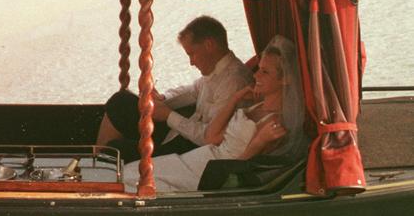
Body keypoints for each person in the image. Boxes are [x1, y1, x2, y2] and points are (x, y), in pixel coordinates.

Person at [122, 35, 308, 192]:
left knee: (141, 182)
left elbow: (240, 166)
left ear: (285, 80)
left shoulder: (274, 123)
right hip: (204, 155)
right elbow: (212, 136)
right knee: (132, 170)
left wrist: (260, 141)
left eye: (265, 72)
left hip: (216, 171)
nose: (256, 76)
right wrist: (235, 98)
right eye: (259, 69)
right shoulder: (254, 107)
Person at [96, 16, 253, 162]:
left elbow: (208, 137)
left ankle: (97, 168)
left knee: (115, 150)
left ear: (209, 45)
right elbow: (192, 90)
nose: (191, 62)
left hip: (192, 149)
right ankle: (96, 160)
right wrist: (163, 99)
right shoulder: (215, 72)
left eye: (192, 54)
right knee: (121, 101)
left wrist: (168, 116)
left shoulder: (234, 81)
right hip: (180, 134)